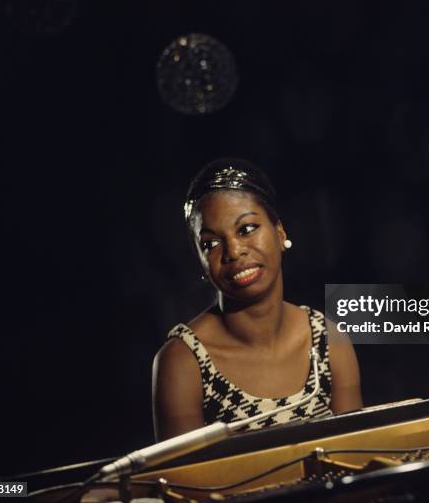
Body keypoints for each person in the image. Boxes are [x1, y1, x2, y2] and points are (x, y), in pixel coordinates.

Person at [152, 158, 362, 441]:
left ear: (280, 232)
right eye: (211, 244)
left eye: (247, 229)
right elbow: (184, 481)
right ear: (201, 263)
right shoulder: (183, 361)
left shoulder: (327, 339)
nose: (234, 251)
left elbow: (357, 457)